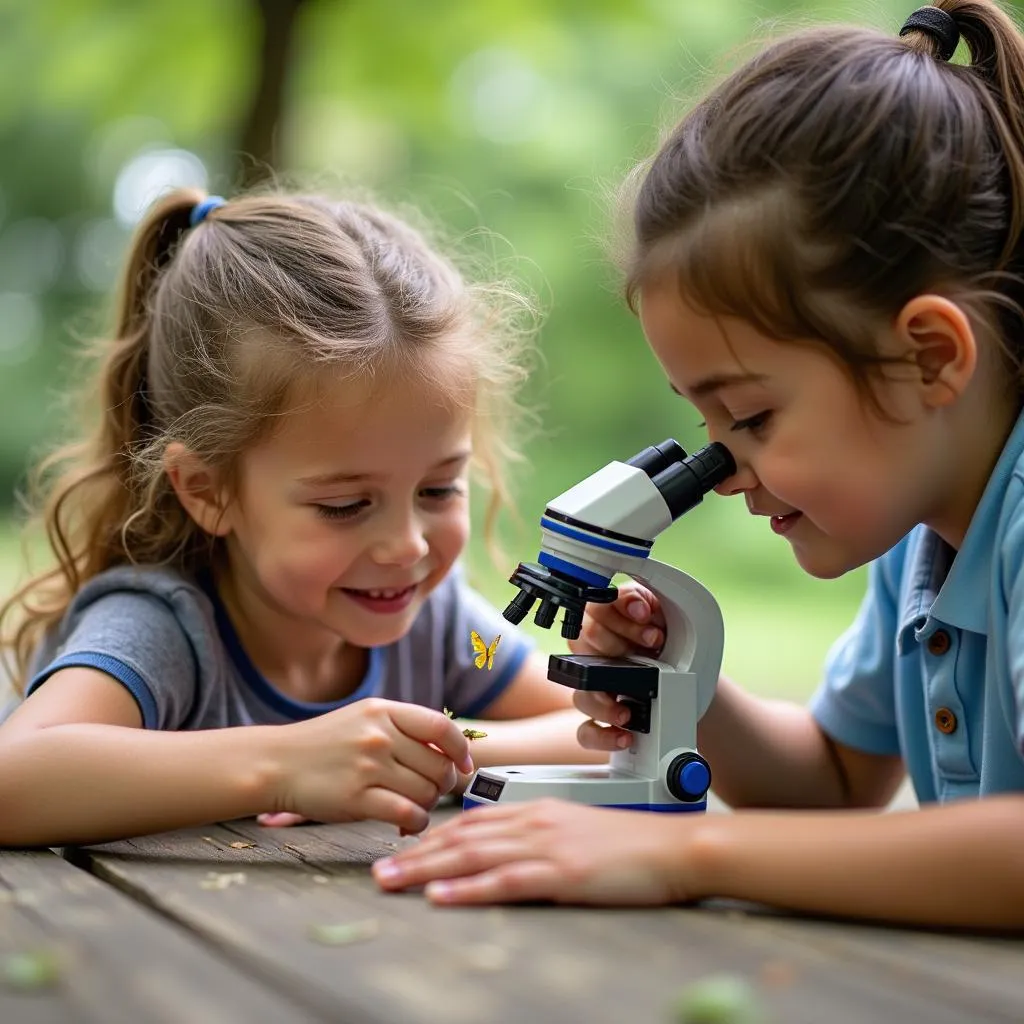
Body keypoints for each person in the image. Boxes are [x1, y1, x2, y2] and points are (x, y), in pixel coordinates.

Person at [372, 1, 1024, 931]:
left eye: (751, 416)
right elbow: (835, 785)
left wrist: (683, 852)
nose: (722, 471)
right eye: (707, 422)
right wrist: (687, 683)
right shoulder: (923, 542)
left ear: (928, 356)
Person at [0, 188, 602, 847]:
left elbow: (602, 728)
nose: (406, 546)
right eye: (345, 505)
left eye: (439, 490)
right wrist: (285, 764)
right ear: (207, 490)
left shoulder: (444, 627)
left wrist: (440, 751)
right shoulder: (163, 632)